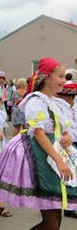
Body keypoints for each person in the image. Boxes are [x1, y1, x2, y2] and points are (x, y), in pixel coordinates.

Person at [0, 58, 77, 230]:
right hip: (40, 156)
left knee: (55, 222)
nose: (64, 80)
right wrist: (59, 160)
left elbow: (64, 128)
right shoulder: (36, 101)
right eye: (61, 76)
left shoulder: (57, 102)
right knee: (51, 224)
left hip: (54, 154)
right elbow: (39, 133)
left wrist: (67, 137)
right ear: (47, 77)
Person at [56, 83, 77, 219]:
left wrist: (71, 136)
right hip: (61, 145)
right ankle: (67, 206)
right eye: (62, 96)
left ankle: (70, 205)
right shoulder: (57, 109)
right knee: (66, 176)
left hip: (74, 143)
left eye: (67, 97)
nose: (64, 100)